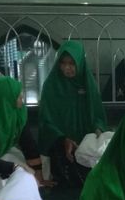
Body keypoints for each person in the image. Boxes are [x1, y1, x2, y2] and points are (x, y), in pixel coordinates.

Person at [38, 40, 107, 186]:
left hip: (86, 147)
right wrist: (63, 139)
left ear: (80, 63)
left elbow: (97, 113)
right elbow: (45, 120)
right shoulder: (51, 85)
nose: (67, 68)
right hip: (59, 149)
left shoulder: (87, 83)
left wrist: (98, 129)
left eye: (72, 63)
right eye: (63, 63)